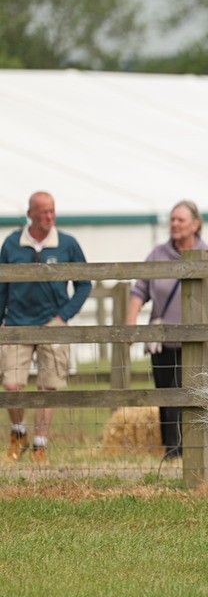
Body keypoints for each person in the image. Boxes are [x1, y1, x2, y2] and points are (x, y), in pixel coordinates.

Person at [126, 200, 208, 460]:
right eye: (172, 219)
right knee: (166, 394)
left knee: (191, 390)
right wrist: (130, 324)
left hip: (199, 339)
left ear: (195, 224)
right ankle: (172, 448)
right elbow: (140, 289)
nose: (174, 224)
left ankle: (190, 449)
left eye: (180, 220)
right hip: (163, 339)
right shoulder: (158, 254)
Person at [1, 192, 92, 463]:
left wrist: (64, 316)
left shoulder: (67, 244)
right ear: (30, 213)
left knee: (48, 387)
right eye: (42, 212)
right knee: (12, 385)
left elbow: (85, 283)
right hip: (17, 323)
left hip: (52, 323)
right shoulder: (11, 244)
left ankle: (41, 445)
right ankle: (19, 433)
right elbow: (2, 287)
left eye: (52, 211)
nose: (49, 216)